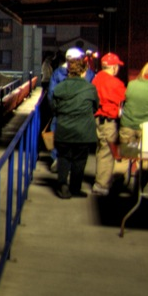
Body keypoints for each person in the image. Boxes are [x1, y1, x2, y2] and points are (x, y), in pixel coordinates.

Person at [51, 51, 98, 198]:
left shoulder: (60, 88)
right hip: (83, 131)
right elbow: (95, 107)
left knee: (64, 157)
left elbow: (54, 107)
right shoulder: (90, 88)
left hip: (64, 128)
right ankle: (75, 188)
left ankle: (62, 185)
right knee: (80, 159)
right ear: (83, 71)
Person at [119, 61, 148, 192]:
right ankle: (138, 189)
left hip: (128, 127)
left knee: (126, 157)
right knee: (145, 161)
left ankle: (120, 185)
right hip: (147, 132)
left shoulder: (132, 85)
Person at [90, 53, 126, 196]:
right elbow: (124, 99)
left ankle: (101, 180)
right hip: (109, 121)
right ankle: (101, 185)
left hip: (97, 120)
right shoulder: (116, 83)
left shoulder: (96, 79)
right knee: (107, 152)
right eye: (117, 66)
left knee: (101, 150)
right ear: (113, 67)